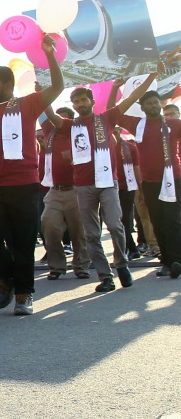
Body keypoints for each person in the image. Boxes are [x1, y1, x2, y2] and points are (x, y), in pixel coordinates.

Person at [0, 36, 65, 316]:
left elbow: (58, 86)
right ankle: (7, 276)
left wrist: (49, 55)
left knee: (23, 242)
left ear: (8, 85)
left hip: (24, 186)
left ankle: (24, 294)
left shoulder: (28, 104)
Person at [46, 75, 154, 293]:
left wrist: (152, 75)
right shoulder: (70, 125)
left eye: (83, 100)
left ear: (92, 102)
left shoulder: (107, 118)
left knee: (115, 225)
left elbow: (133, 97)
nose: (80, 104)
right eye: (76, 102)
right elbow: (51, 116)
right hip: (83, 186)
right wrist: (44, 94)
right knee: (92, 235)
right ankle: (106, 276)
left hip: (107, 182)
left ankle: (121, 264)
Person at [115, 86, 181, 279]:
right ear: (142, 107)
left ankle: (177, 260)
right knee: (158, 222)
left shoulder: (174, 124)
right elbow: (114, 111)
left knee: (172, 220)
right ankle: (167, 262)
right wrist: (115, 89)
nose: (153, 106)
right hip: (150, 182)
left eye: (155, 102)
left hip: (173, 178)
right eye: (149, 103)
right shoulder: (138, 125)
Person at [39, 107, 90, 280]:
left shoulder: (78, 135)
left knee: (79, 232)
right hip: (55, 190)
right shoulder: (48, 131)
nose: (57, 121)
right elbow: (42, 110)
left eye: (63, 119)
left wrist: (75, 159)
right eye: (55, 118)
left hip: (76, 190)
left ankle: (81, 266)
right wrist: (41, 91)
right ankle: (57, 266)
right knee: (49, 225)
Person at [114, 126, 143, 261]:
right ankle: (132, 248)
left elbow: (136, 168)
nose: (113, 134)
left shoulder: (130, 147)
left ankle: (127, 249)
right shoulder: (102, 146)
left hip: (127, 187)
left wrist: (140, 190)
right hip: (109, 187)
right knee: (115, 221)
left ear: (120, 131)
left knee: (125, 219)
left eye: (115, 131)